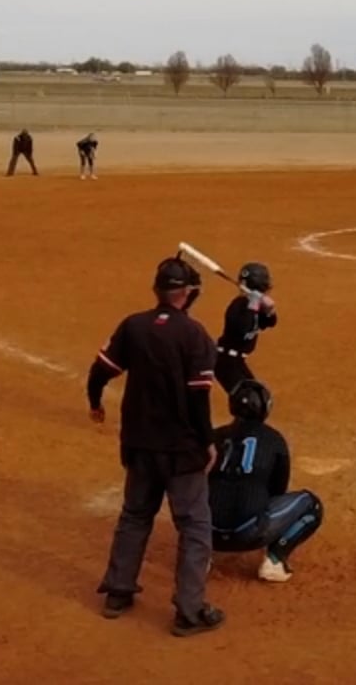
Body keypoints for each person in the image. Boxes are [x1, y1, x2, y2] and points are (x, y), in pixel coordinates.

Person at [87, 256, 225, 637]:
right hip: (181, 450)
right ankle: (189, 611)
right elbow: (198, 399)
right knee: (194, 525)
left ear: (157, 290)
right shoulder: (195, 335)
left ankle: (117, 593)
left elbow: (99, 372)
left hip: (139, 444)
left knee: (134, 516)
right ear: (188, 293)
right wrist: (208, 441)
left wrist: (95, 403)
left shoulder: (133, 326)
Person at [210, 380, 324, 584]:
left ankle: (198, 556)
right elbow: (278, 491)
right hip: (248, 532)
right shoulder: (274, 439)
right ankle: (275, 560)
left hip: (205, 532)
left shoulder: (215, 436)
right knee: (311, 505)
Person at [215, 263, 277, 392]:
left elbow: (270, 323)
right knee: (249, 400)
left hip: (236, 361)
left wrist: (269, 311)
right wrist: (254, 304)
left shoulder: (253, 306)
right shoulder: (238, 305)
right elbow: (245, 329)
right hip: (225, 362)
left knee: (258, 395)